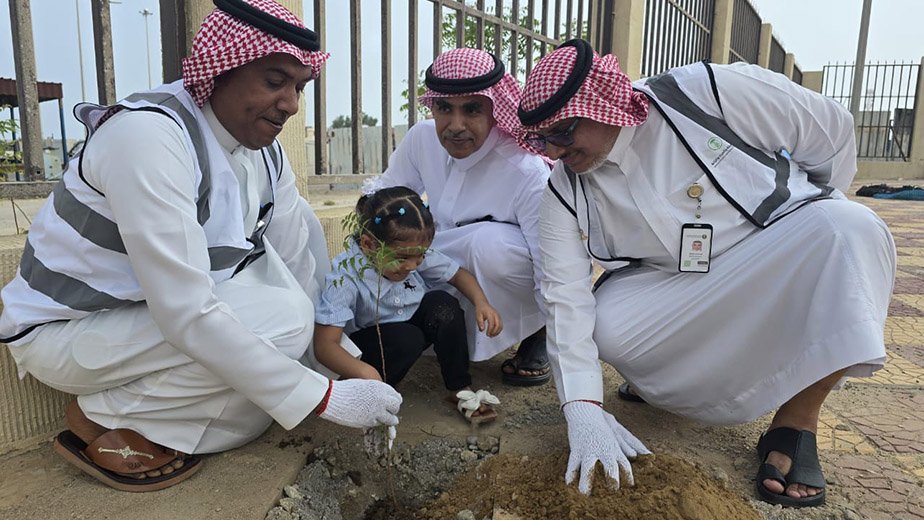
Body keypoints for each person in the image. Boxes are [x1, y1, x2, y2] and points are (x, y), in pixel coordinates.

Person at [0, 0, 401, 492]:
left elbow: (299, 261)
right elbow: (185, 311)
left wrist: (338, 368)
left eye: (299, 87)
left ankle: (168, 419)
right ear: (220, 71)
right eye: (275, 81)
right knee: (281, 326)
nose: (292, 105)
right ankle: (104, 415)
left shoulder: (265, 153)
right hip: (72, 330)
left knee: (290, 297)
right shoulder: (149, 137)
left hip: (150, 323)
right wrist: (324, 399)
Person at [519, 39, 896, 507]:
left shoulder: (705, 93)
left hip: (769, 253)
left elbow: (830, 132)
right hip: (671, 284)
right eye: (541, 139)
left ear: (603, 100)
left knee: (848, 229)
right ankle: (665, 389)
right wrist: (582, 408)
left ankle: (797, 418)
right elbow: (564, 296)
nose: (555, 151)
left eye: (563, 132)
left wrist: (810, 215)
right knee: (607, 323)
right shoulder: (563, 191)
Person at [377, 47, 552, 387]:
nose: (456, 126)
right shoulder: (421, 138)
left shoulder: (525, 169)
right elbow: (385, 198)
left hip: (510, 264)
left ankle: (538, 329)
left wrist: (562, 333)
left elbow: (551, 262)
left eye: (472, 109)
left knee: (483, 244)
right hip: (441, 253)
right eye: (444, 108)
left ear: (495, 109)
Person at [313, 187, 503, 424]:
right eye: (402, 258)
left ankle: (460, 388)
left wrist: (482, 302)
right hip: (371, 346)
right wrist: (364, 372)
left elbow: (457, 275)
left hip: (408, 327)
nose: (412, 266)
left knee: (443, 304)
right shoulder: (346, 276)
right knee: (407, 338)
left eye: (420, 256)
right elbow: (324, 345)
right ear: (368, 245)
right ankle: (376, 393)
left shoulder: (409, 250)